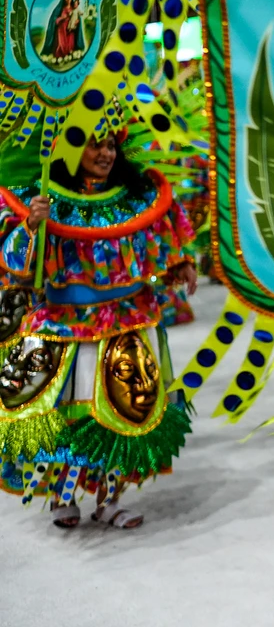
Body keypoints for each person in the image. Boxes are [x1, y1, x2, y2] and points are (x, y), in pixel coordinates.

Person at [0, 130, 197, 529]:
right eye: (95, 144)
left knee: (124, 412)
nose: (105, 153)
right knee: (68, 415)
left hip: (126, 319)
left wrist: (180, 264)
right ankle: (63, 496)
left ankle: (110, 500)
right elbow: (13, 263)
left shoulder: (135, 197)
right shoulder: (40, 195)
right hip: (62, 323)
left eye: (111, 146)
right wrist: (32, 226)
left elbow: (160, 241)